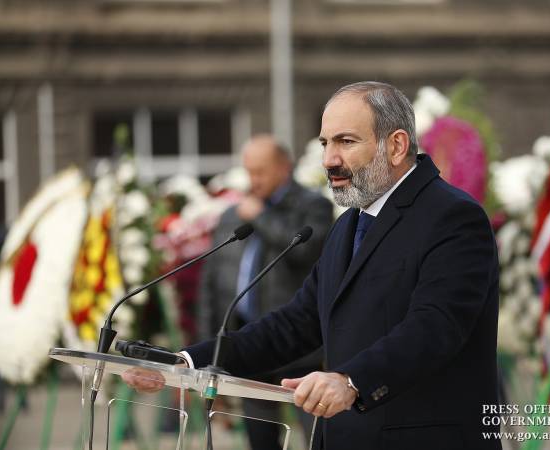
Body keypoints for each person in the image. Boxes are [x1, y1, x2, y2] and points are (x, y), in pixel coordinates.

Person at [125, 82, 501, 450]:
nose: (329, 160)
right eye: (325, 143)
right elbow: (294, 324)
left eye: (345, 141)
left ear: (397, 145)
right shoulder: (348, 226)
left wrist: (351, 380)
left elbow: (436, 327)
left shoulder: (452, 217)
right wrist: (185, 361)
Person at [197, 135, 333, 450]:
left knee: (318, 439)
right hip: (249, 347)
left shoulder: (313, 206)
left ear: (284, 168)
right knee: (260, 440)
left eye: (260, 171)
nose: (252, 180)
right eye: (248, 171)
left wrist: (259, 216)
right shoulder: (233, 214)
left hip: (299, 349)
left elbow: (305, 251)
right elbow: (212, 284)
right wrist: (210, 350)